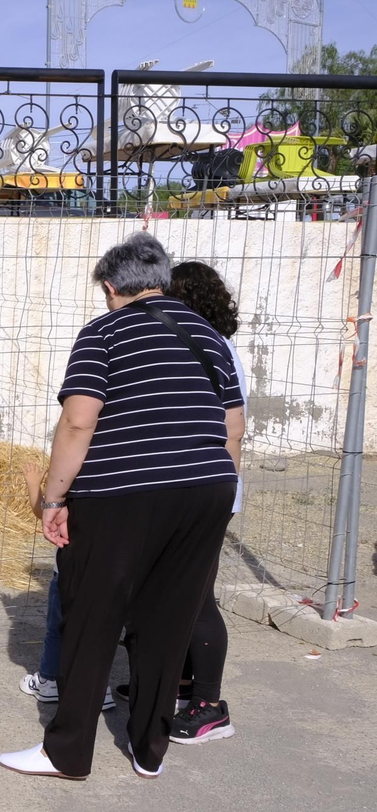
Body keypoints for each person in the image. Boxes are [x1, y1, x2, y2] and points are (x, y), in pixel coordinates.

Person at [0, 232, 244, 780]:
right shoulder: (209, 336)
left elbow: (78, 420)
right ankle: (148, 749)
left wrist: (53, 498)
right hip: (207, 488)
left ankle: (67, 752)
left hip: (121, 492)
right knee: (168, 620)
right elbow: (234, 429)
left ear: (111, 287)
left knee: (92, 614)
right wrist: (217, 493)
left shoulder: (103, 332)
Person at [158, 259, 247, 745]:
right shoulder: (205, 344)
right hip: (198, 488)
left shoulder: (214, 349)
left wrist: (222, 494)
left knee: (198, 596)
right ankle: (182, 684)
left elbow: (233, 430)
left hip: (209, 490)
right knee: (177, 590)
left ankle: (211, 707)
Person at [17, 461, 115, 713]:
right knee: (99, 629)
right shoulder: (110, 486)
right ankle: (99, 688)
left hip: (68, 572)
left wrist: (33, 485)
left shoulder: (69, 483)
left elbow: (45, 513)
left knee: (58, 629)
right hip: (107, 572)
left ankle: (49, 681)